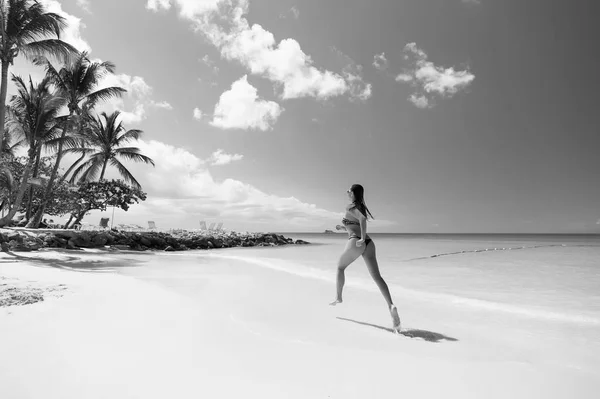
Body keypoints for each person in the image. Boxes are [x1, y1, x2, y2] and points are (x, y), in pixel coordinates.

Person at [329, 184, 401, 332]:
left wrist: (360, 239)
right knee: (377, 277)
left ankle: (338, 297)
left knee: (340, 267)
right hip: (369, 243)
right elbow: (355, 224)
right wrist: (343, 228)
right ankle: (391, 305)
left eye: (349, 190)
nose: (347, 192)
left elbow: (361, 220)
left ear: (353, 193)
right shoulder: (360, 206)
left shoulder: (350, 206)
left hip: (357, 241)